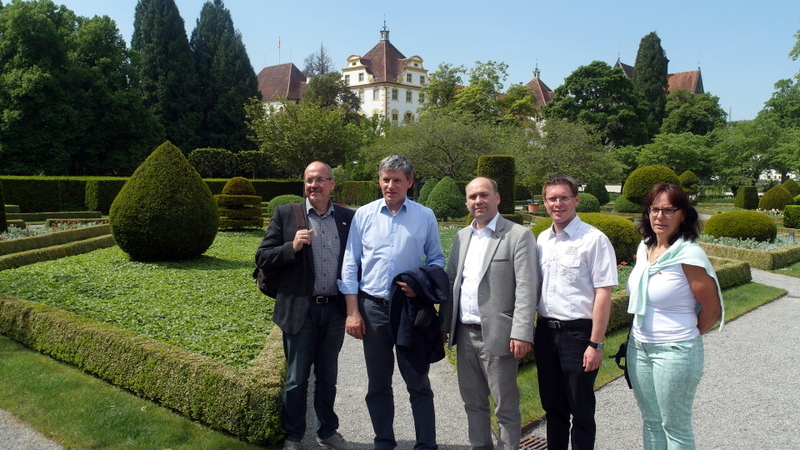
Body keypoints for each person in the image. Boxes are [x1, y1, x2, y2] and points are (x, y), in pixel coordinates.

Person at [338, 154, 445, 450]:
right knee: (378, 383)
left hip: (409, 310)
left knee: (418, 381)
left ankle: (426, 444)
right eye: (386, 179)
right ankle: (384, 441)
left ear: (409, 182)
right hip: (373, 309)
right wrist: (352, 312)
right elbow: (350, 263)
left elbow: (436, 260)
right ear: (379, 180)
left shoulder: (424, 215)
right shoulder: (364, 215)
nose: (390, 185)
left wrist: (420, 287)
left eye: (397, 180)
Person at [256, 161, 355, 450]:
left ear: (332, 184)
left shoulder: (348, 218)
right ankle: (294, 435)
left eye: (320, 180)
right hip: (301, 310)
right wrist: (292, 246)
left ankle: (327, 431)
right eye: (309, 180)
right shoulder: (286, 214)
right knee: (297, 378)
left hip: (334, 310)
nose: (314, 185)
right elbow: (262, 257)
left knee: (328, 377)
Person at [440, 177, 538, 450]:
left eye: (484, 195)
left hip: (499, 335)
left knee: (505, 408)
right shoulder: (462, 236)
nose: (478, 201)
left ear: (497, 198)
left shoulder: (517, 235)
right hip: (465, 334)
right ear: (467, 202)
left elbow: (527, 288)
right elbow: (452, 282)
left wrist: (522, 332)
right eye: (472, 197)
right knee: (473, 403)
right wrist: (445, 324)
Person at [626, 183, 724, 450]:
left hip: (675, 351)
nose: (660, 216)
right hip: (639, 347)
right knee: (651, 421)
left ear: (683, 215)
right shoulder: (645, 249)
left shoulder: (689, 256)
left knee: (675, 426)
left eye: (669, 210)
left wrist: (682, 336)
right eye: (654, 209)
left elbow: (712, 310)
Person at [535, 173, 618, 450]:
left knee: (580, 409)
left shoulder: (594, 240)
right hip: (545, 333)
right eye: (551, 199)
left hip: (578, 335)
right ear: (545, 203)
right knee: (553, 407)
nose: (557, 204)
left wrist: (596, 344)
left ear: (576, 200)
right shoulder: (542, 240)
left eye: (564, 197)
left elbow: (603, 293)